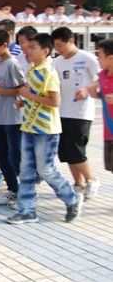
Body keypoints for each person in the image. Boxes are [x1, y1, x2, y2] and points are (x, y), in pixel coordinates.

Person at [8, 33, 83, 224]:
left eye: (33, 47)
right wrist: (25, 103)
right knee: (26, 171)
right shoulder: (33, 70)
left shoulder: (48, 71)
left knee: (46, 170)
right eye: (28, 47)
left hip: (46, 130)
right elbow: (36, 96)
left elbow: (54, 101)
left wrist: (28, 96)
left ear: (45, 51)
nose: (28, 50)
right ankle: (27, 210)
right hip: (29, 127)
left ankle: (72, 198)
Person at [50, 27, 100, 198]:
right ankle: (78, 184)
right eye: (55, 46)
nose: (58, 49)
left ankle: (91, 180)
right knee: (65, 151)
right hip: (62, 112)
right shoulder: (58, 62)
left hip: (81, 113)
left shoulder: (87, 58)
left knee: (77, 150)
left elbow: (101, 77)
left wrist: (87, 88)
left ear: (71, 41)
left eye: (60, 45)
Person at [0, 29, 26, 208]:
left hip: (13, 118)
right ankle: (13, 189)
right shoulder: (0, 63)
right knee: (1, 156)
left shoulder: (12, 63)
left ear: (4, 45)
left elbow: (21, 89)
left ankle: (24, 193)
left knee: (15, 156)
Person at [91, 38, 113, 173]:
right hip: (108, 132)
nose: (97, 59)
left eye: (99, 56)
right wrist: (98, 95)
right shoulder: (102, 75)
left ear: (110, 58)